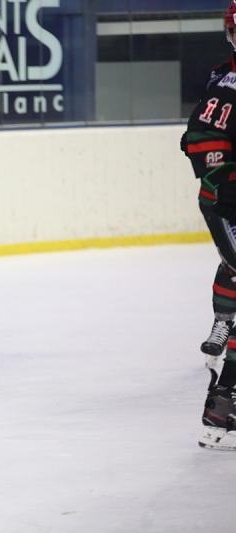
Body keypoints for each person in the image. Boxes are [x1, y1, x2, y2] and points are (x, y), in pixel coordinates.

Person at [181, 1, 236, 449]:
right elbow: (200, 140)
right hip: (228, 205)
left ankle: (222, 404)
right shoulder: (228, 78)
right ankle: (223, 404)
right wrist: (228, 183)